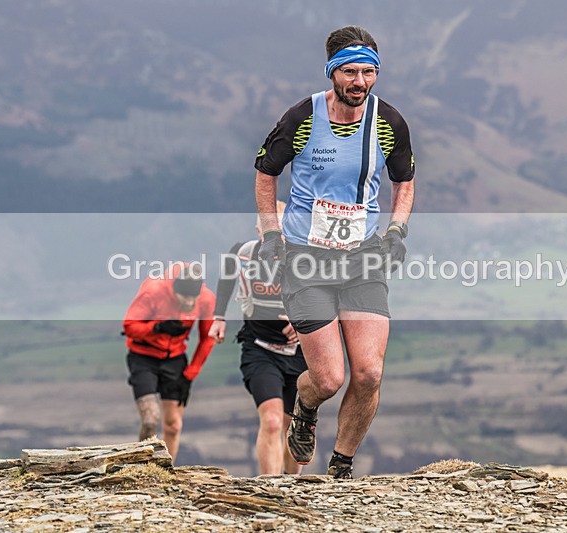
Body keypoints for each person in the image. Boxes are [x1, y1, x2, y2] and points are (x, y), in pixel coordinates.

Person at [254, 26, 415, 479]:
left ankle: (340, 467)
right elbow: (266, 172)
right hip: (305, 258)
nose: (359, 81)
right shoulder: (302, 116)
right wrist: (271, 234)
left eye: (368, 72)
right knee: (327, 379)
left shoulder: (389, 122)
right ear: (332, 73)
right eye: (350, 71)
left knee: (368, 373)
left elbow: (405, 180)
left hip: (362, 256)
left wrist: (397, 230)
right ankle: (305, 405)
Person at [208, 201, 307, 475]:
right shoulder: (243, 253)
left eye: (281, 228)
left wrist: (304, 324)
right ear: (258, 229)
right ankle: (270, 488)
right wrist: (218, 316)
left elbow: (330, 300)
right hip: (259, 348)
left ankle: (291, 486)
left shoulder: (307, 259)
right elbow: (227, 276)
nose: (275, 235)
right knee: (273, 421)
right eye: (268, 228)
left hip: (301, 353)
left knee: (293, 426)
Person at [122, 261, 216, 464]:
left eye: (194, 298)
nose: (190, 303)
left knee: (173, 424)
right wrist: (157, 328)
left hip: (174, 359)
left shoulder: (207, 299)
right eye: (185, 298)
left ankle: (166, 470)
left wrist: (191, 373)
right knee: (150, 419)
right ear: (174, 291)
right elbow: (129, 326)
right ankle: (142, 466)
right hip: (143, 355)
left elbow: (208, 337)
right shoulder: (153, 291)